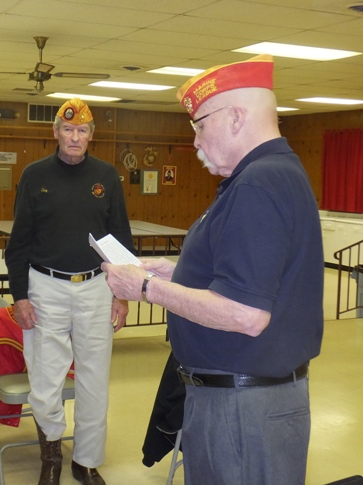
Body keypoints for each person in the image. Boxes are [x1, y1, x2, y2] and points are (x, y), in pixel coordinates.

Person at [101, 54, 324, 485]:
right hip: (246, 399)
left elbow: (245, 313)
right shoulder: (271, 175)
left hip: (243, 409)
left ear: (236, 118)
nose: (196, 142)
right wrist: (176, 273)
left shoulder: (258, 184)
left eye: (200, 125)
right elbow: (247, 280)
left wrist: (146, 287)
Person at [5, 98, 134, 485]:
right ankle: (50, 455)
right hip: (44, 287)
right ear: (55, 132)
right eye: (68, 129)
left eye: (82, 131)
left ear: (91, 135)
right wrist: (20, 295)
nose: (74, 137)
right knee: (46, 379)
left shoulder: (107, 177)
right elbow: (19, 241)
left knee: (94, 379)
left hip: (95, 286)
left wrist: (122, 294)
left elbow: (119, 238)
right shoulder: (34, 175)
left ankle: (87, 461)